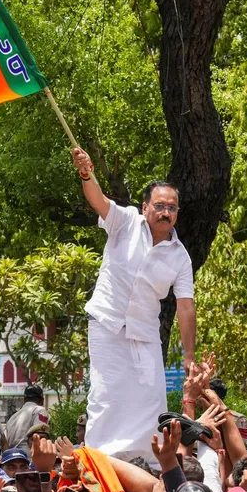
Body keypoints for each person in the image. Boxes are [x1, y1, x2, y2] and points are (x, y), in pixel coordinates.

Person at [70, 147, 197, 465]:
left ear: (177, 213)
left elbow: (185, 306)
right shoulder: (125, 221)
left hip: (144, 332)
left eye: (172, 207)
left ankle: (152, 465)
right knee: (106, 395)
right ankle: (100, 462)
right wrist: (86, 172)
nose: (165, 212)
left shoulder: (180, 256)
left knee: (151, 397)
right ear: (145, 208)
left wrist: (189, 356)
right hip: (107, 323)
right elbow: (98, 200)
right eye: (159, 206)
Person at [3, 384, 50, 453]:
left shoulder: (13, 417)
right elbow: (39, 437)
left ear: (24, 400)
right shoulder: (40, 410)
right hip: (28, 459)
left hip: (12, 459)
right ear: (42, 400)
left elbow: (5, 442)